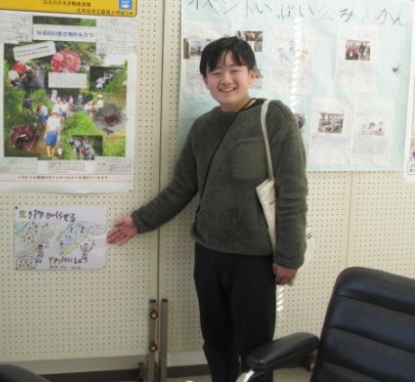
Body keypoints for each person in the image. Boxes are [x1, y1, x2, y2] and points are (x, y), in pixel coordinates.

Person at [107, 36, 308, 382]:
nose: (225, 79)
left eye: (235, 69)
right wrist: (139, 221)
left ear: (252, 74)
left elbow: (293, 193)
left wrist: (290, 255)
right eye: (216, 72)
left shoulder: (274, 117)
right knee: (216, 341)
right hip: (209, 254)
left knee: (256, 349)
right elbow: (181, 188)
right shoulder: (202, 127)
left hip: (255, 259)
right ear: (205, 80)